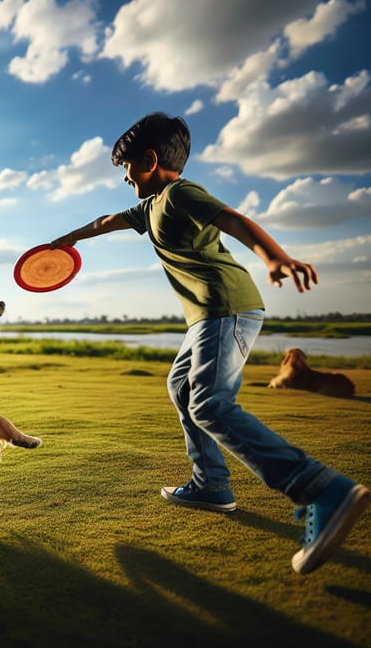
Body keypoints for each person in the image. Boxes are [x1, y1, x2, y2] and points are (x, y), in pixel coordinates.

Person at [50, 112, 368, 574]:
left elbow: (233, 219)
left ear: (151, 160)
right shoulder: (149, 206)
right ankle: (211, 485)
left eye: (127, 168)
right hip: (206, 318)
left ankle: (321, 488)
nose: (124, 178)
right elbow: (106, 220)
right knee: (181, 386)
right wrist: (69, 241)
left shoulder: (180, 192)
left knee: (210, 403)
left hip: (226, 308)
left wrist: (275, 257)